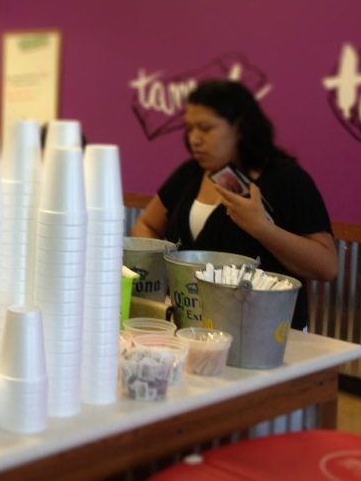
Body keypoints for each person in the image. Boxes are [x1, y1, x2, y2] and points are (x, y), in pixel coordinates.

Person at [130, 79, 337, 330]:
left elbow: (327, 267)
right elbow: (147, 224)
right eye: (190, 128)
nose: (194, 139)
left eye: (206, 128)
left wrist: (262, 228)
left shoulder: (285, 178)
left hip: (266, 332)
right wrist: (167, 275)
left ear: (240, 127)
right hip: (192, 329)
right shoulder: (191, 173)